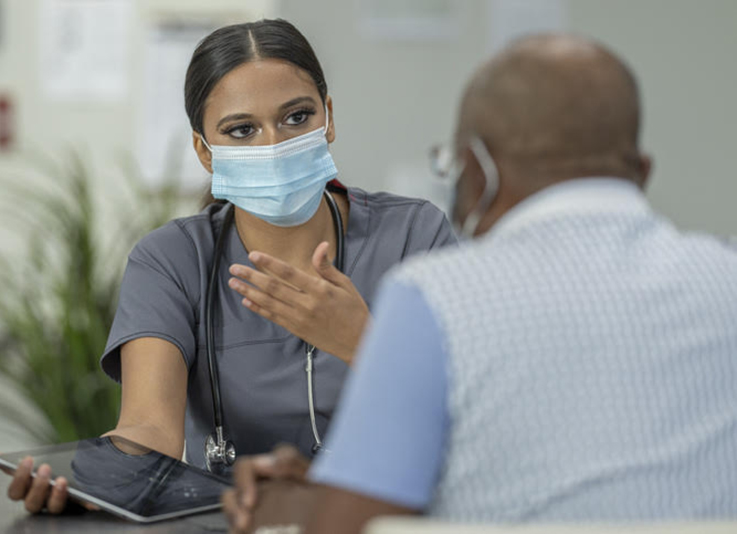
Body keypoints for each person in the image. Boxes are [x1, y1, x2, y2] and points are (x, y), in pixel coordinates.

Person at [223, 33, 737, 533]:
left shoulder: (435, 298)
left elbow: (354, 528)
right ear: (641, 172)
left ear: (477, 172)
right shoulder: (726, 277)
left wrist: (305, 505)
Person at [0, 18, 455, 514]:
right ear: (205, 150)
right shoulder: (171, 260)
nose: (272, 144)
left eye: (296, 117)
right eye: (241, 130)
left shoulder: (414, 236)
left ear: (328, 118)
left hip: (389, 520)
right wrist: (86, 481)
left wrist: (365, 343)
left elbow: (474, 404)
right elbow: (149, 429)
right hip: (234, 522)